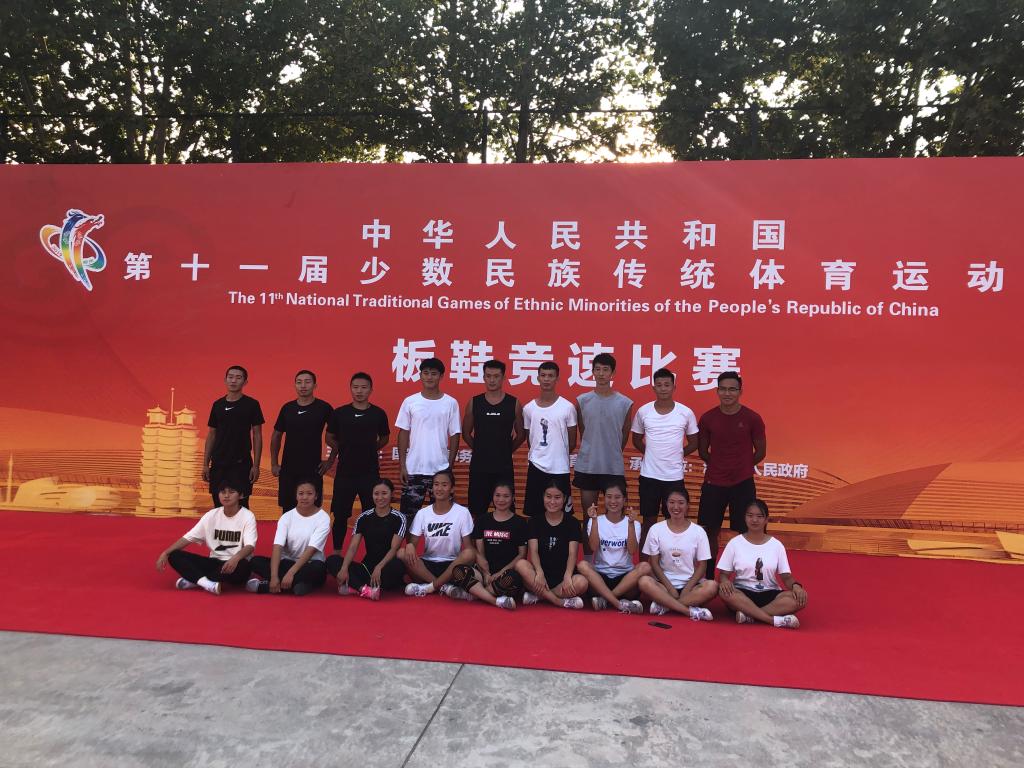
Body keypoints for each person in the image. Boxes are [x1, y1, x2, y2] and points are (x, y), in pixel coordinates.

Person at [697, 371, 766, 573]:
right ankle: (708, 576)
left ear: (740, 391)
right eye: (723, 389)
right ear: (717, 391)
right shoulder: (708, 418)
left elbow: (760, 451)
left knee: (745, 530)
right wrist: (719, 465)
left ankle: (744, 576)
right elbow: (703, 451)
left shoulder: (752, 418)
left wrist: (742, 466)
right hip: (714, 483)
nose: (727, 393)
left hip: (742, 482)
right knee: (709, 531)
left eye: (732, 389)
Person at [630, 368, 699, 547]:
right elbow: (636, 439)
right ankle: (645, 562)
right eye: (659, 385)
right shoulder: (644, 411)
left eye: (667, 385)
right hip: (649, 476)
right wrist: (651, 453)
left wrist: (677, 454)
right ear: (654, 388)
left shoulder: (685, 412)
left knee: (675, 521)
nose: (663, 388)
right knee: (649, 521)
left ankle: (672, 559)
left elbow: (694, 442)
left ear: (674, 387)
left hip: (674, 477)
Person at [324, 372, 390, 556]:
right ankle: (337, 553)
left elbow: (385, 437)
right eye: (355, 387)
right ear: (350, 389)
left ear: (371, 390)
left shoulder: (378, 414)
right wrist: (342, 448)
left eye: (363, 387)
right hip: (345, 473)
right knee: (340, 515)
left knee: (372, 514)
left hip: (369, 473)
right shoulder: (340, 413)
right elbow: (329, 437)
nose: (359, 391)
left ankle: (373, 555)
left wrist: (370, 448)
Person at [573, 353, 633, 552]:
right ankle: (587, 560)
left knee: (615, 517)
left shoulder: (625, 403)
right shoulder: (582, 400)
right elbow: (583, 430)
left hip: (612, 468)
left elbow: (624, 434)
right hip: (588, 466)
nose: (601, 374)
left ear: (613, 373)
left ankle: (615, 561)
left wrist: (611, 451)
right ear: (592, 372)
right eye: (597, 369)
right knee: (588, 516)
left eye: (605, 370)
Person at [717, 499, 806, 629]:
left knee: (799, 599)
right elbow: (723, 574)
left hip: (770, 593)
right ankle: (772, 620)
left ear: (766, 520)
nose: (754, 520)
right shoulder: (735, 543)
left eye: (759, 516)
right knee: (723, 591)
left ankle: (749, 615)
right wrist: (725, 581)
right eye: (750, 515)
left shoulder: (776, 545)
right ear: (745, 518)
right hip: (742, 592)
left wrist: (796, 586)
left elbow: (786, 577)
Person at [155, 481, 257, 595]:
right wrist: (166, 552)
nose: (226, 496)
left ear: (241, 495)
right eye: (223, 492)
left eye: (231, 492)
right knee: (174, 555)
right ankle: (207, 583)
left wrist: (236, 558)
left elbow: (250, 546)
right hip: (215, 562)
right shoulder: (211, 515)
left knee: (244, 566)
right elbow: (188, 537)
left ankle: (195, 579)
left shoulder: (248, 516)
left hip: (236, 563)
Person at [395, 358, 461, 528]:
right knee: (408, 519)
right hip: (413, 469)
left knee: (442, 519)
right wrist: (403, 466)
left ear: (441, 376)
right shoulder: (410, 401)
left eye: (434, 374)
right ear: (420, 375)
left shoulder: (450, 403)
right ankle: (410, 546)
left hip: (440, 470)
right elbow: (403, 433)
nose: (429, 377)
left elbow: (455, 434)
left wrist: (449, 466)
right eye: (426, 373)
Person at [638, 488, 716, 621]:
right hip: (664, 585)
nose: (676, 507)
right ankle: (689, 611)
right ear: (666, 504)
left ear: (687, 505)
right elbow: (654, 563)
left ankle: (666, 605)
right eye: (671, 502)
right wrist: (670, 588)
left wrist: (687, 588)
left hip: (690, 585)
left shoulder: (698, 531)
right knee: (644, 581)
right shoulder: (656, 529)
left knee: (712, 586)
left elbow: (703, 566)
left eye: (681, 503)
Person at [446, 481, 525, 610]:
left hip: (505, 574)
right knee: (458, 571)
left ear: (513, 498)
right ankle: (494, 600)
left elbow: (522, 555)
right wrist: (485, 573)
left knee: (513, 578)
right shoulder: (482, 520)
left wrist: (500, 573)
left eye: (506, 496)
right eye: (497, 495)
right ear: (492, 496)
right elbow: (476, 549)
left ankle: (474, 593)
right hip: (483, 573)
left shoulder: (520, 523)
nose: (501, 500)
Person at [462, 360, 525, 518]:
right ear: (483, 377)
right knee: (476, 512)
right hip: (479, 467)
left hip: (503, 468)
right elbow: (466, 433)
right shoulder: (474, 402)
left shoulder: (514, 403)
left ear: (503, 378)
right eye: (488, 376)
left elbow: (521, 435)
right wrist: (479, 449)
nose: (492, 380)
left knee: (506, 512)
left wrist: (506, 450)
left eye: (496, 376)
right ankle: (476, 536)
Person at [327, 478, 406, 600]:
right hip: (366, 568)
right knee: (332, 560)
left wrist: (379, 567)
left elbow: (394, 549)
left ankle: (354, 586)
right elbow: (353, 547)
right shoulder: (364, 517)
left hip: (387, 567)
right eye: (376, 494)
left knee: (399, 565)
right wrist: (344, 568)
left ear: (392, 494)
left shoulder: (399, 518)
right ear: (372, 495)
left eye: (384, 493)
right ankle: (364, 589)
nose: (380, 497)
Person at [247, 480, 330, 595]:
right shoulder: (286, 517)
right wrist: (274, 576)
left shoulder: (323, 518)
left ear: (316, 496)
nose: (305, 497)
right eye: (301, 493)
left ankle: (265, 587)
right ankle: (300, 587)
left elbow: (311, 549)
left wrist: (290, 574)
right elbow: (278, 547)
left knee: (318, 568)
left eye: (309, 494)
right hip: (287, 562)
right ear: (296, 496)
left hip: (309, 564)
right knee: (255, 561)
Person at [575, 479, 647, 614]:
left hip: (625, 579)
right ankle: (619, 603)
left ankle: (606, 599)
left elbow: (632, 551)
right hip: (600, 577)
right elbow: (593, 547)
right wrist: (594, 520)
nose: (613, 501)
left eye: (617, 497)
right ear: (604, 499)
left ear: (624, 500)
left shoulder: (634, 523)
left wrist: (631, 524)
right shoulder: (596, 520)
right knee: (583, 565)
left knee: (645, 567)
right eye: (609, 497)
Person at [401, 470, 476, 597]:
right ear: (432, 488)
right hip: (427, 565)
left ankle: (430, 587)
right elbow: (412, 544)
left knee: (469, 553)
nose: (439, 488)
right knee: (401, 553)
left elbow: (469, 547)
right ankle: (443, 587)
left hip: (452, 565)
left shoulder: (462, 512)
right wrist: (409, 545)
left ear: (452, 489)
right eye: (436, 484)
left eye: (444, 485)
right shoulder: (423, 513)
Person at [515, 482, 588, 609]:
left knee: (582, 583)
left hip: (562, 576)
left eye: (557, 497)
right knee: (520, 565)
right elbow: (533, 551)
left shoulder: (573, 523)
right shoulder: (534, 522)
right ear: (543, 497)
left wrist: (567, 576)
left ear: (564, 499)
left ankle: (539, 596)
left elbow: (573, 554)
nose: (552, 501)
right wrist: (539, 572)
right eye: (548, 496)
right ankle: (558, 601)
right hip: (539, 575)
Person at [270, 370, 332, 514]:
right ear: (295, 385)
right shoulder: (287, 408)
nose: (303, 385)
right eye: (299, 382)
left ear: (315, 385)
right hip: (288, 469)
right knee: (288, 511)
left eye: (307, 382)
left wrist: (330, 461)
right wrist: (274, 463)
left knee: (312, 511)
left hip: (313, 469)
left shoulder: (324, 408)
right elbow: (276, 436)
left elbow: (337, 436)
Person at [203, 365, 264, 508]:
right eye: (230, 377)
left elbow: (257, 435)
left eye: (238, 378)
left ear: (245, 382)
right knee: (219, 506)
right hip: (218, 463)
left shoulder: (252, 404)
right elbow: (211, 434)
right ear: (225, 380)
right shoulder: (217, 405)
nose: (233, 381)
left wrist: (256, 465)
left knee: (241, 506)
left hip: (241, 464)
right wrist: (205, 464)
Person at [522, 362, 577, 517]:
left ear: (557, 379)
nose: (546, 379)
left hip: (560, 468)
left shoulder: (567, 407)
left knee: (562, 514)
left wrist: (557, 455)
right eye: (543, 375)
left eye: (551, 376)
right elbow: (530, 439)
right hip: (536, 466)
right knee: (535, 513)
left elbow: (572, 442)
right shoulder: (529, 408)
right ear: (538, 378)